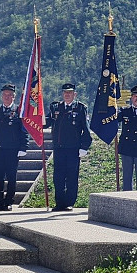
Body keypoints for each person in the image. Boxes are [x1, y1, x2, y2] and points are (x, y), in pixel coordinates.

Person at [46, 83, 92, 211]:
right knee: (58, 177)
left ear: (74, 94)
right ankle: (59, 203)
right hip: (59, 148)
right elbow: (47, 122)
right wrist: (35, 120)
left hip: (73, 149)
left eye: (70, 93)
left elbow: (86, 130)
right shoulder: (56, 107)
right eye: (65, 93)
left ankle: (69, 202)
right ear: (62, 94)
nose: (67, 95)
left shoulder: (81, 108)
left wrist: (84, 146)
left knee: (72, 176)